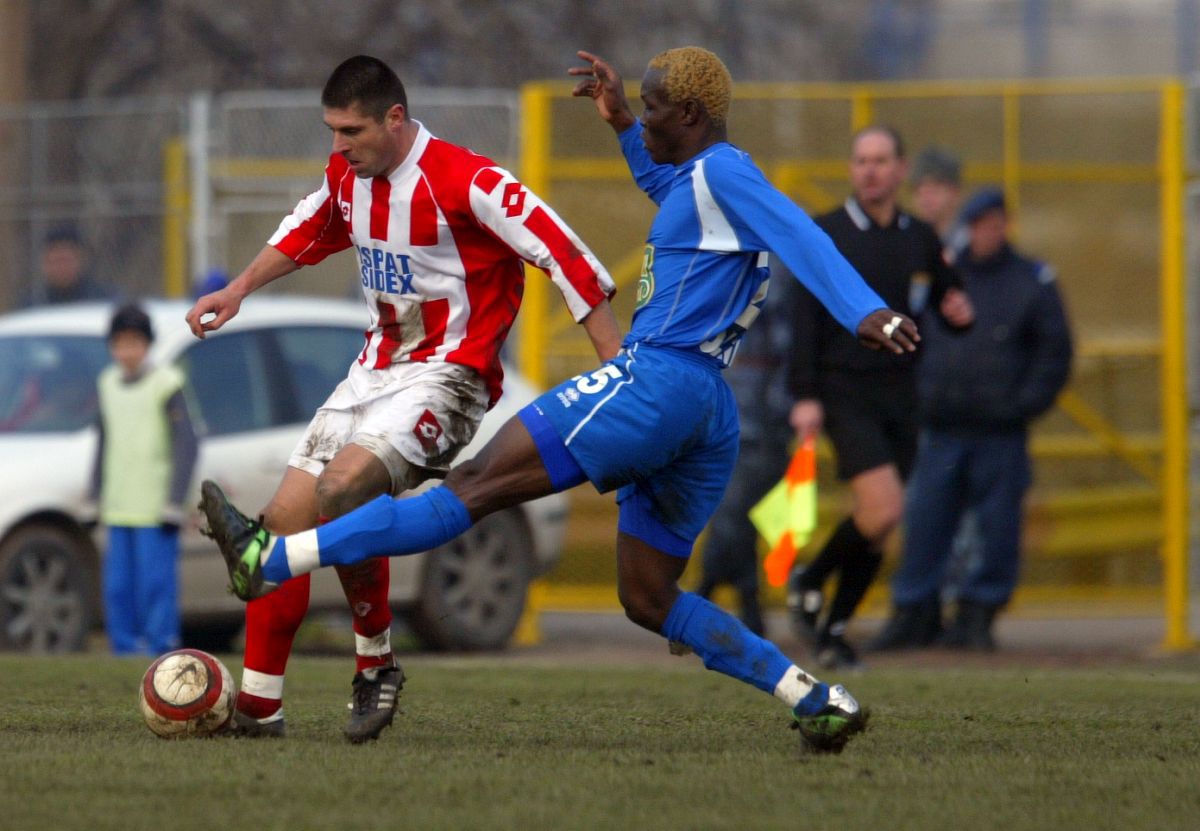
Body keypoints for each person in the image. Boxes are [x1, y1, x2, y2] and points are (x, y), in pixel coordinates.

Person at [199, 45, 924, 754]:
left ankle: (272, 559)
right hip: (708, 408)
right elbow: (665, 184)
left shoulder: (727, 175)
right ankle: (814, 697)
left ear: (695, 114)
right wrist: (616, 124)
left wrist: (865, 310)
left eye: (653, 107)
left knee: (474, 487)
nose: (643, 118)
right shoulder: (696, 182)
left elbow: (799, 232)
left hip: (655, 381)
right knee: (647, 597)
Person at [184, 55, 619, 742]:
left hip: (450, 377)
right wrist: (237, 289)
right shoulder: (347, 176)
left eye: (350, 130)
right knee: (275, 533)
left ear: (394, 118)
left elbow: (563, 253)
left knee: (342, 490)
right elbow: (304, 230)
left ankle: (376, 663)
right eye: (330, 130)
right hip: (372, 371)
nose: (338, 146)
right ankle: (260, 709)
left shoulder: (468, 180)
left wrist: (617, 371)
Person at [784, 125, 975, 670]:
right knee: (885, 505)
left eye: (880, 160)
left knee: (880, 521)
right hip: (844, 389)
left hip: (901, 395)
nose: (870, 169)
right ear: (852, 169)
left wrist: (961, 315)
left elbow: (947, 299)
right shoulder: (828, 232)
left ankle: (835, 628)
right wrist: (805, 394)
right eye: (861, 160)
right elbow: (804, 318)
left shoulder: (918, 236)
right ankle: (813, 578)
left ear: (899, 170)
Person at [870, 187, 1072, 652]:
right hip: (940, 428)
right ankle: (914, 611)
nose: (989, 232)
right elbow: (910, 335)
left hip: (1000, 431)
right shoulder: (942, 275)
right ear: (970, 226)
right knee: (925, 523)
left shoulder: (1031, 281)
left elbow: (1054, 353)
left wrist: (1022, 404)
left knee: (998, 527)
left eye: (997, 223)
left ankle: (977, 615)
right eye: (982, 224)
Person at [694, 266, 797, 636]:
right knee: (735, 515)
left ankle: (704, 596)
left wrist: (782, 410)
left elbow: (792, 353)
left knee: (733, 511)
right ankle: (747, 608)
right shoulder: (717, 273)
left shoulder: (778, 282)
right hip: (724, 415)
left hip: (764, 422)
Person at [90, 303, 198, 655]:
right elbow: (104, 441)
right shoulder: (107, 383)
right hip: (120, 506)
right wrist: (95, 494)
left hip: (155, 508)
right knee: (118, 587)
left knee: (156, 585)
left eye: (135, 342)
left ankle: (161, 648)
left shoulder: (166, 383)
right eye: (120, 343)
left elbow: (187, 444)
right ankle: (123, 650)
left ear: (148, 344)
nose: (127, 351)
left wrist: (174, 500)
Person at [20, 226, 120, 307]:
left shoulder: (103, 302)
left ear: (81, 260)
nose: (60, 268)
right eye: (54, 261)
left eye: (65, 260)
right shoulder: (33, 306)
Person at [909, 145, 967, 260]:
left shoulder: (971, 246)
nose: (925, 200)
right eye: (919, 191)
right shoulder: (908, 243)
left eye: (934, 191)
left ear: (955, 193)